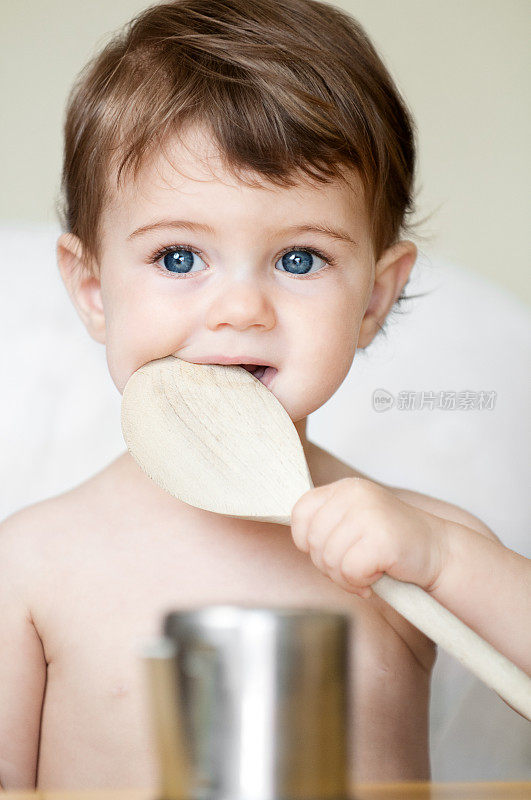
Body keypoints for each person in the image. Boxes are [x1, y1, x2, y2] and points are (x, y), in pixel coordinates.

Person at [1, 0, 527, 791]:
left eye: (299, 259)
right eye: (178, 258)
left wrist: (448, 559)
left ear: (374, 300)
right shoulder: (33, 563)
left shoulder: (419, 546)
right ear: (92, 289)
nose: (240, 309)